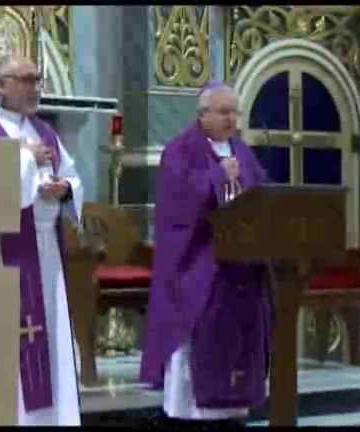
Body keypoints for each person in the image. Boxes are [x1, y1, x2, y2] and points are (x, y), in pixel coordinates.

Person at [0, 55, 82, 426]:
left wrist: (65, 190)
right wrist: (23, 159)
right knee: (12, 346)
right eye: (24, 79)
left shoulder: (44, 130)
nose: (34, 87)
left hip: (47, 253)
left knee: (51, 339)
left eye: (37, 79)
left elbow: (73, 175)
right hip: (2, 256)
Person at [139, 81, 271, 429]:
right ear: (202, 114)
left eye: (234, 112)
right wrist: (216, 176)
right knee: (197, 340)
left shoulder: (241, 150)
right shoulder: (180, 151)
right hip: (197, 264)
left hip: (238, 269)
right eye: (223, 112)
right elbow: (176, 206)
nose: (231, 119)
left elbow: (262, 195)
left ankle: (232, 412)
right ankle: (190, 417)